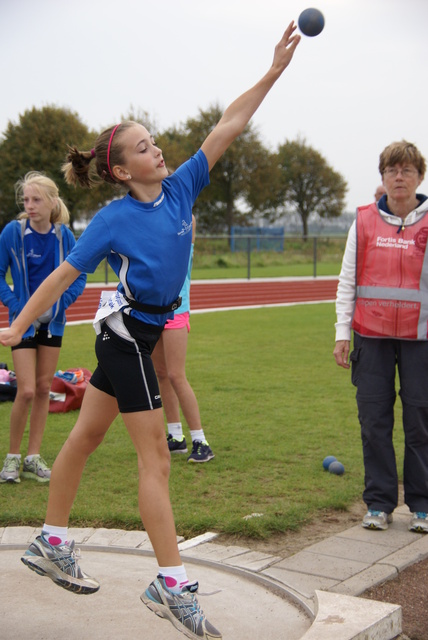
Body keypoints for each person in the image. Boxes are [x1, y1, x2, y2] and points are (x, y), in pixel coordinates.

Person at [0, 23, 300, 639]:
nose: (157, 149)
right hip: (126, 337)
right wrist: (18, 327)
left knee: (83, 437)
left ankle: (51, 541)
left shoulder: (182, 185)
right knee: (156, 456)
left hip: (137, 329)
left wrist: (272, 72)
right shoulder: (113, 219)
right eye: (142, 146)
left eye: (155, 140)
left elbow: (227, 126)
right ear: (118, 170)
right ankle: (171, 584)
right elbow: (59, 277)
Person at [333, 141, 428, 534]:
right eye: (392, 170)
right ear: (383, 177)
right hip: (370, 337)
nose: (399, 177)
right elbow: (347, 281)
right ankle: (379, 502)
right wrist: (342, 333)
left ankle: (422, 505)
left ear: (420, 176)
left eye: (406, 170)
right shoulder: (364, 221)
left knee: (420, 422)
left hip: (421, 338)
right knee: (373, 420)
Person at [0, 172, 86, 485]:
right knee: (25, 391)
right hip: (21, 324)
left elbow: (79, 275)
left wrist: (63, 303)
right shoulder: (13, 232)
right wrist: (15, 304)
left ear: (52, 202)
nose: (30, 205)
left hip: (54, 324)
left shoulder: (65, 237)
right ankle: (11, 459)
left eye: (36, 199)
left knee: (43, 388)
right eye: (26, 200)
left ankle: (33, 458)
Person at [152, 215, 215, 463]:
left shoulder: (183, 221)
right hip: (152, 310)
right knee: (162, 374)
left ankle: (201, 441)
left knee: (176, 375)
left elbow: (189, 218)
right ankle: (175, 436)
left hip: (176, 309)